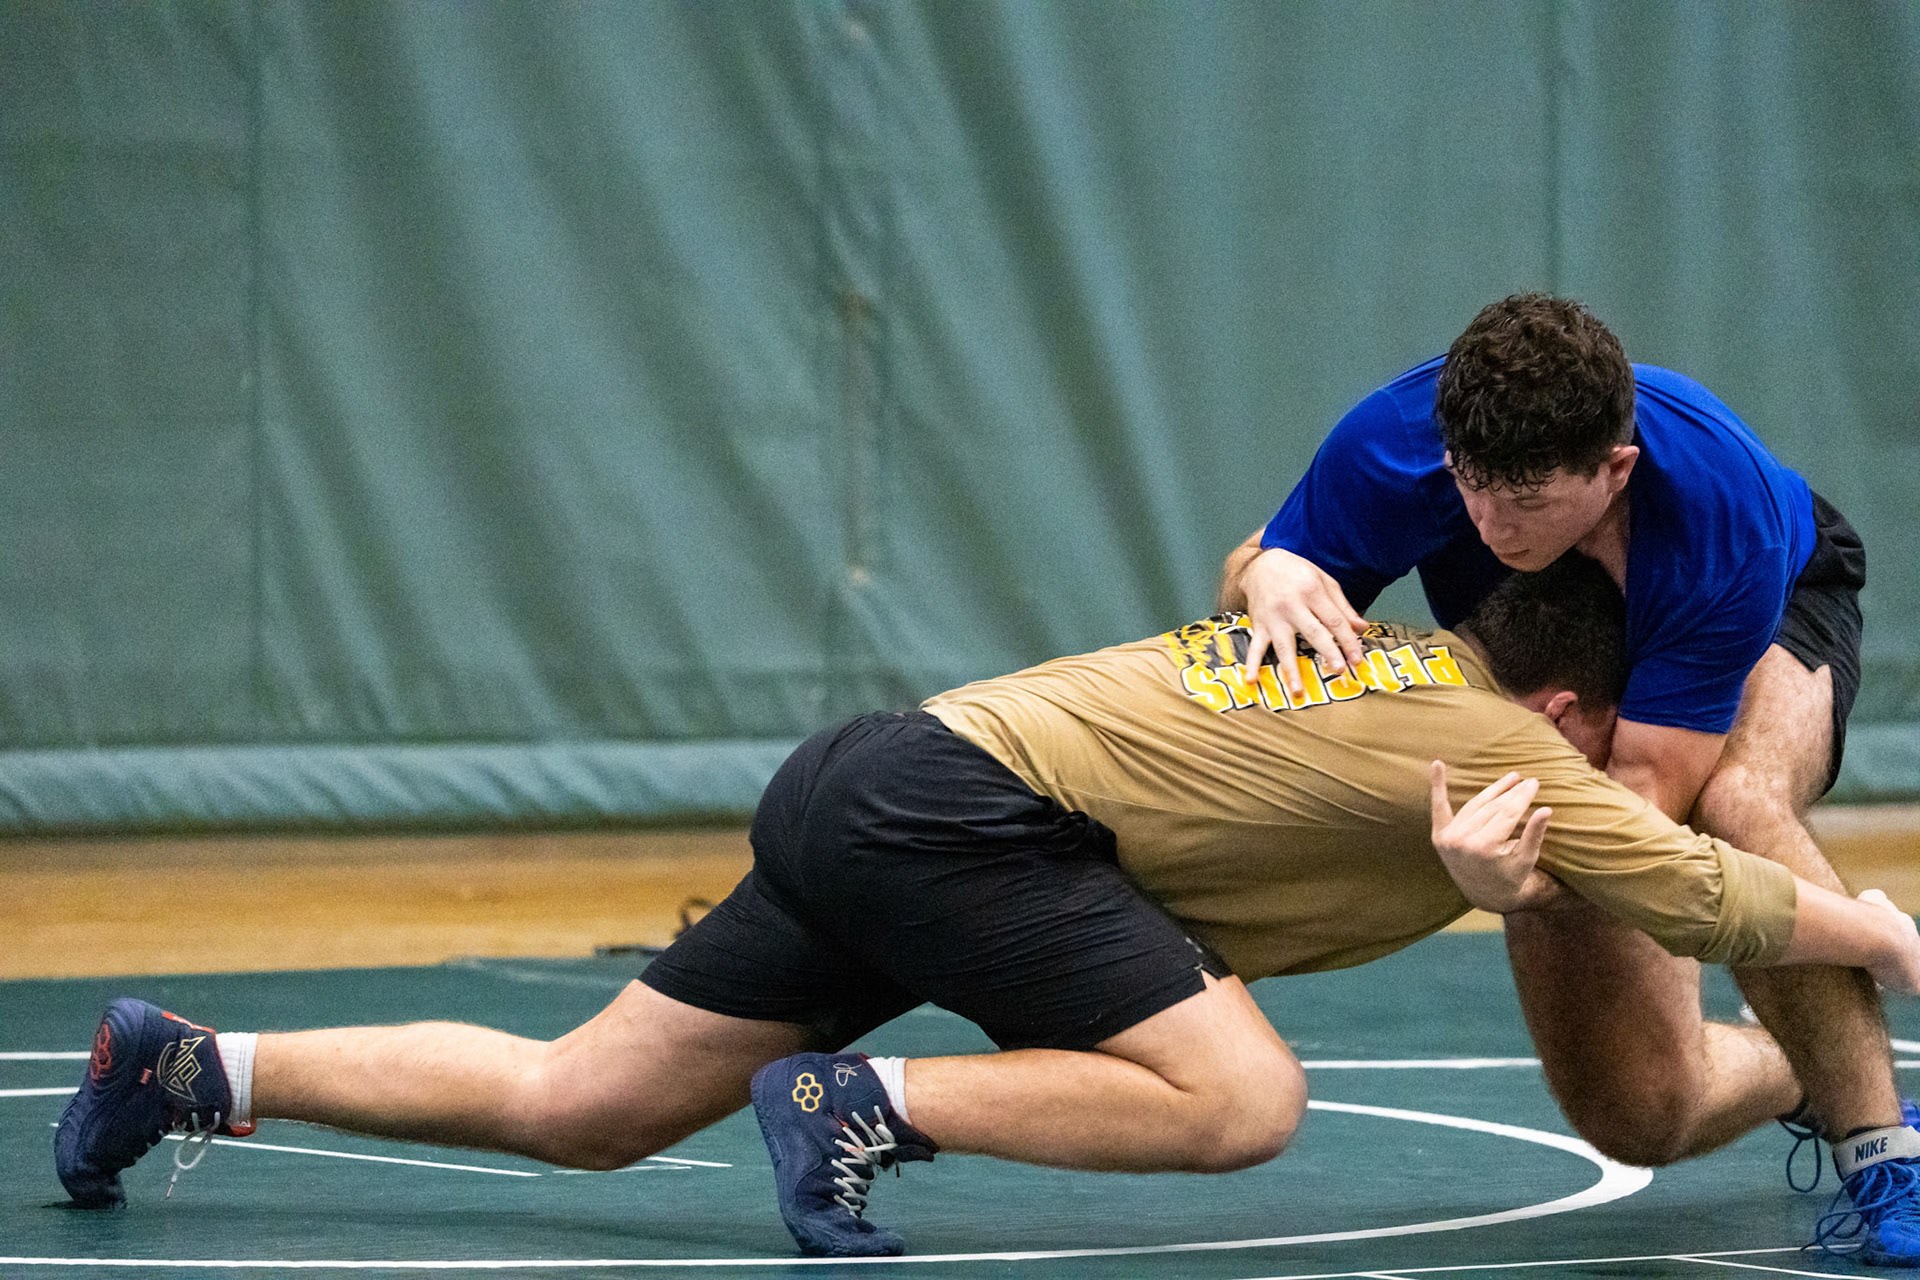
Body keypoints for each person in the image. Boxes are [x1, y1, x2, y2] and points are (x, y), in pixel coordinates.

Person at [56, 561, 1920, 1261]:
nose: (1640, 764)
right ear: (1576, 705)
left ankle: (191, 1064)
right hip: (969, 823)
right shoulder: (1499, 737)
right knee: (1244, 1098)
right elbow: (1701, 886)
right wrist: (1890, 939)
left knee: (586, 1104)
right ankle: (864, 1108)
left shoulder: (1360, 654)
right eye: (1634, 735)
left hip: (875, 786)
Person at [1219, 295, 1903, 1204]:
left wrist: (1518, 887)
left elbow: (1644, 806)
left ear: (1616, 469)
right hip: (1561, 660)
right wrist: (1262, 570)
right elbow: (1258, 602)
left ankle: (1881, 1149)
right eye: (1471, 489)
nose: (1491, 527)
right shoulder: (1394, 447)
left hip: (1777, 606)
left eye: (1529, 503)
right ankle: (1800, 1064)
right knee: (1641, 1115)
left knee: (1734, 803)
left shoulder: (1717, 513)